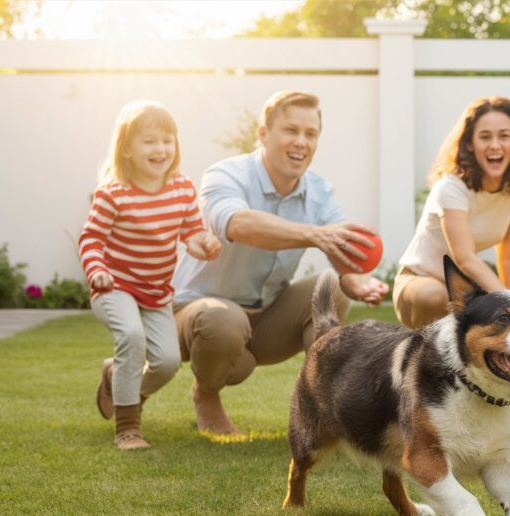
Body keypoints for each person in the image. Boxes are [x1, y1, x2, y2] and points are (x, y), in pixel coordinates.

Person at [171, 91, 389, 436]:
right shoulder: (226, 174)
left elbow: (343, 248)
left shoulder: (320, 192)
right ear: (263, 134)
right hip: (199, 311)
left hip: (266, 317)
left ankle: (321, 410)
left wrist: (359, 280)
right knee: (225, 324)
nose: (301, 142)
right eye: (290, 130)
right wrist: (315, 234)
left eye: (310, 134)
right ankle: (206, 394)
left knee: (331, 288)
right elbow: (237, 224)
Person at [393, 96, 510, 435]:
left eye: (504, 135)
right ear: (470, 144)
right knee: (442, 301)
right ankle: (429, 412)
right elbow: (464, 259)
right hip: (419, 284)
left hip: (467, 294)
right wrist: (508, 304)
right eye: (485, 136)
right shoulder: (452, 186)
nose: (495, 145)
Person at [80, 100, 222, 450]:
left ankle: (117, 378)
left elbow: (191, 231)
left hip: (156, 291)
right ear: (126, 148)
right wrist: (96, 270)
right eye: (149, 141)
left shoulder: (182, 188)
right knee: (131, 337)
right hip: (114, 286)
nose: (160, 149)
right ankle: (128, 428)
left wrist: (202, 242)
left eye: (167, 140)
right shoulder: (113, 193)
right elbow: (91, 239)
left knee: (168, 363)